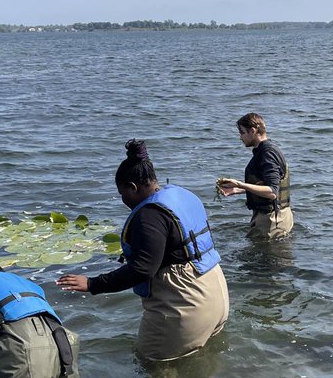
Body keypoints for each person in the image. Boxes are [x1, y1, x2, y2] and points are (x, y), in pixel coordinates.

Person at [58, 140, 229, 361]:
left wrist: (93, 284)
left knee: (153, 368)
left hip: (186, 302)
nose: (123, 199)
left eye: (122, 193)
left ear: (133, 187)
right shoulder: (180, 194)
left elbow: (142, 269)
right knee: (203, 364)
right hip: (215, 289)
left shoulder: (149, 216)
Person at [217, 112, 294, 238]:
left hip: (272, 220)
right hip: (274, 216)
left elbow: (272, 191)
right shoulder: (265, 151)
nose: (240, 137)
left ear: (253, 131)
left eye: (242, 132)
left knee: (270, 257)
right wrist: (237, 190)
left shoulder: (267, 154)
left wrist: (239, 183)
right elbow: (267, 184)